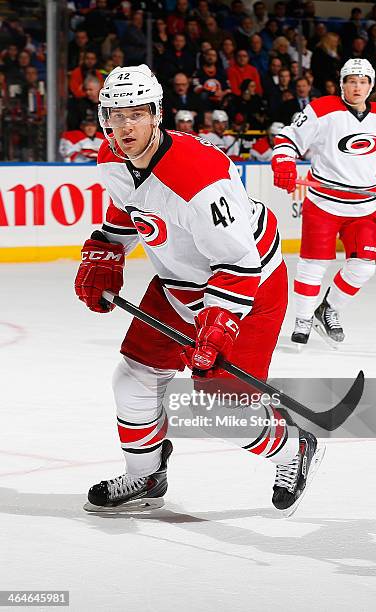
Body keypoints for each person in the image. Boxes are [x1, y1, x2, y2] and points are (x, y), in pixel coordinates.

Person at [74, 64, 323, 515]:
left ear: (157, 114)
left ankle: (293, 448)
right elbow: (134, 206)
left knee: (219, 414)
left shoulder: (200, 179)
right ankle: (144, 475)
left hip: (250, 286)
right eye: (115, 114)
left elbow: (240, 261)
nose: (125, 125)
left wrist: (220, 321)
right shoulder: (111, 158)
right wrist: (107, 248)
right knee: (132, 379)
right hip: (177, 280)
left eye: (137, 113)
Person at [271, 58, 376, 346]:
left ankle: (328, 309)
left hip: (364, 207)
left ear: (371, 85)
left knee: (364, 266)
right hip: (324, 204)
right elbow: (289, 137)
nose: (357, 87)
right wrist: (284, 162)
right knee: (313, 264)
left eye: (363, 82)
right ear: (342, 83)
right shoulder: (322, 109)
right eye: (351, 81)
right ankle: (304, 318)